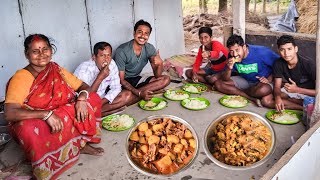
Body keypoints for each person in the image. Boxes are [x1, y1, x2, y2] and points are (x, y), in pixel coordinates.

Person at [4, 34, 104, 179]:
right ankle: (45, 165)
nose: (41, 54)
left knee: (92, 98)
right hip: (35, 117)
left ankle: (80, 144)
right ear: (27, 54)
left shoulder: (56, 69)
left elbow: (84, 86)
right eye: (35, 51)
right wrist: (46, 114)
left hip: (59, 110)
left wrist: (81, 99)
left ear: (51, 50)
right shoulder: (22, 77)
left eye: (45, 49)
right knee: (30, 129)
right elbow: (10, 113)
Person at [214, 34, 280, 106]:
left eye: (237, 50)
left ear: (244, 47)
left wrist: (269, 79)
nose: (235, 54)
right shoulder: (231, 56)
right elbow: (225, 80)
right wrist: (229, 68)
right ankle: (251, 98)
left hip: (261, 82)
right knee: (218, 84)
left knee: (264, 89)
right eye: (231, 51)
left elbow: (279, 65)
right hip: (245, 80)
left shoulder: (261, 52)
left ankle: (238, 92)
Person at [114, 19, 170, 102]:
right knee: (125, 94)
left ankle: (133, 98)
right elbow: (121, 80)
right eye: (140, 32)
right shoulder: (122, 50)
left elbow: (157, 76)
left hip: (136, 79)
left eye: (146, 33)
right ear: (134, 33)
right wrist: (139, 93)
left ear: (149, 36)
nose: (142, 36)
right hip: (122, 83)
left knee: (165, 79)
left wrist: (160, 64)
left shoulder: (149, 48)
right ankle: (139, 95)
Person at [74, 42, 131, 116]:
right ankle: (107, 111)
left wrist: (101, 102)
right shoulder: (84, 69)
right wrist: (100, 77)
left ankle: (98, 113)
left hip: (102, 100)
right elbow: (85, 96)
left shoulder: (112, 64)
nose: (106, 59)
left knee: (127, 95)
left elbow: (116, 87)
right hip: (85, 102)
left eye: (108, 55)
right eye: (102, 55)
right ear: (94, 57)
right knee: (81, 111)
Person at [261, 35, 316, 111]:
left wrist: (297, 89)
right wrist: (277, 98)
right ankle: (301, 108)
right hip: (292, 90)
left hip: (309, 93)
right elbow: (277, 86)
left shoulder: (308, 64)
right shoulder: (278, 63)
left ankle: (293, 105)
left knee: (312, 103)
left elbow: (318, 92)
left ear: (295, 49)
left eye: (289, 49)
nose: (286, 53)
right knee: (266, 100)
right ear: (278, 50)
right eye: (282, 50)